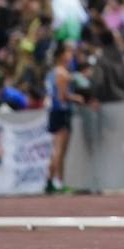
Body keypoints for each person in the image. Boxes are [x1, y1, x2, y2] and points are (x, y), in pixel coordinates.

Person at [46, 44, 83, 194]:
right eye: (68, 52)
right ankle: (59, 182)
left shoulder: (52, 73)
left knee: (57, 149)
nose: (71, 55)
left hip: (54, 111)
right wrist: (77, 98)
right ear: (61, 55)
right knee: (61, 150)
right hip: (61, 111)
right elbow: (62, 96)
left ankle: (50, 182)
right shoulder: (62, 73)